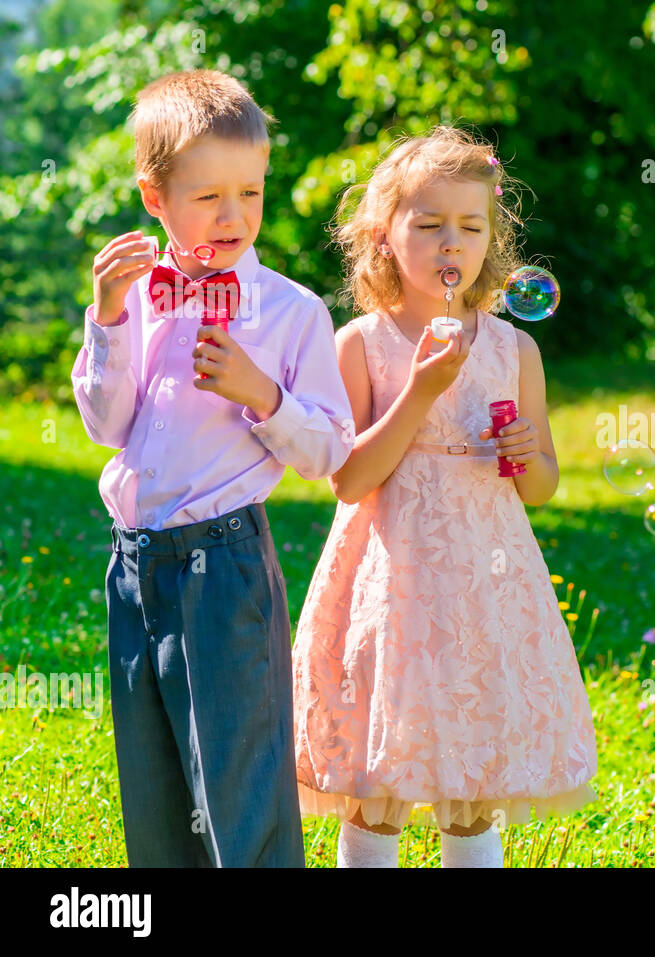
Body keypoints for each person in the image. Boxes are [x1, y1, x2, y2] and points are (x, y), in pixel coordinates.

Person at [69, 69, 356, 866]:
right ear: (154, 197)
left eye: (251, 194)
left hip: (222, 565)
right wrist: (108, 317)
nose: (233, 217)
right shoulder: (138, 300)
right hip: (133, 567)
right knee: (156, 784)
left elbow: (330, 452)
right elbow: (106, 423)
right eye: (208, 198)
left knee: (240, 778)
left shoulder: (293, 313)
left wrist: (263, 394)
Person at [292, 126, 598, 868]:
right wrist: (422, 390)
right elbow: (350, 478)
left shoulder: (513, 349)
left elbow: (544, 486)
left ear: (491, 240)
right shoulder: (361, 343)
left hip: (483, 585)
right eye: (427, 225)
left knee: (473, 776)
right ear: (384, 236)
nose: (449, 243)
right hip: (389, 584)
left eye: (469, 226)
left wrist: (530, 456)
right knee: (380, 770)